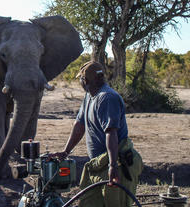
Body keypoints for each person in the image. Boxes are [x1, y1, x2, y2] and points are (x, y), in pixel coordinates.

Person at [49, 61, 143, 207]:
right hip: (97, 165)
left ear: (85, 81)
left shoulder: (107, 98)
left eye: (81, 79)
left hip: (116, 163)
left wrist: (113, 166)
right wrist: (65, 151)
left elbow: (111, 132)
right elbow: (79, 125)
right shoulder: (89, 96)